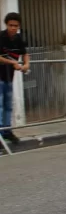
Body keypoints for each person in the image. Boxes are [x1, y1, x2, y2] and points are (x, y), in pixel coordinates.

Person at [0, 13, 30, 144]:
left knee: (8, 106)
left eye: (16, 26)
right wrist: (13, 63)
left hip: (9, 77)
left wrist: (27, 64)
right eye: (11, 25)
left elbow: (25, 53)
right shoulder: (1, 37)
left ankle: (7, 131)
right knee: (0, 106)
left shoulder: (19, 39)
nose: (13, 28)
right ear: (6, 24)